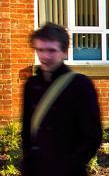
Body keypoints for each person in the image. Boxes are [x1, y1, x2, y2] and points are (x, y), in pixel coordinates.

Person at [23, 23, 102, 176]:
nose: (45, 56)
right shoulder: (31, 85)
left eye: (52, 50)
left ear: (64, 52)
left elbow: (92, 136)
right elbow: (27, 133)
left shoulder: (80, 85)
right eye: (40, 50)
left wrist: (71, 165)